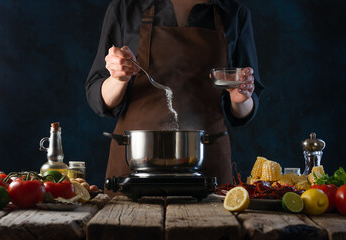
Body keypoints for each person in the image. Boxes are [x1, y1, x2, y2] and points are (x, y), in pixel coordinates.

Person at [86, 0, 264, 196]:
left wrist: (241, 98)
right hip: (136, 165)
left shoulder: (234, 14)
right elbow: (98, 97)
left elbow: (244, 111)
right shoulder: (125, 8)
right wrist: (118, 78)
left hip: (205, 164)